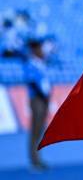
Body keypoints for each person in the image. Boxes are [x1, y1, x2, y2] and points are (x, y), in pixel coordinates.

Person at [25, 39, 51, 170]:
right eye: (40, 49)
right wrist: (43, 95)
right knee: (35, 130)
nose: (42, 51)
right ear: (35, 50)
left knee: (40, 129)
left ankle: (38, 158)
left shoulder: (41, 63)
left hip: (44, 99)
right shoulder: (31, 64)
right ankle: (34, 159)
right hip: (37, 99)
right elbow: (33, 83)